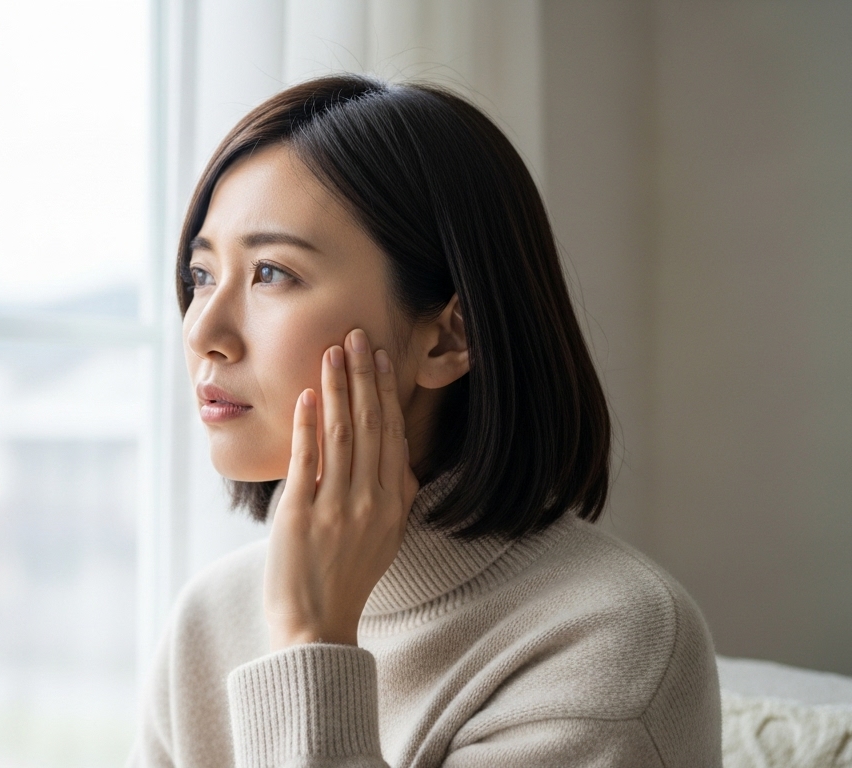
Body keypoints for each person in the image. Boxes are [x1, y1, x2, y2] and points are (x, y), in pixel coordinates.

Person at [127, 75, 721, 767]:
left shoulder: (611, 642)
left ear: (447, 338)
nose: (204, 330)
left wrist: (310, 641)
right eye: (201, 276)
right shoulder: (211, 619)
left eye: (270, 273)